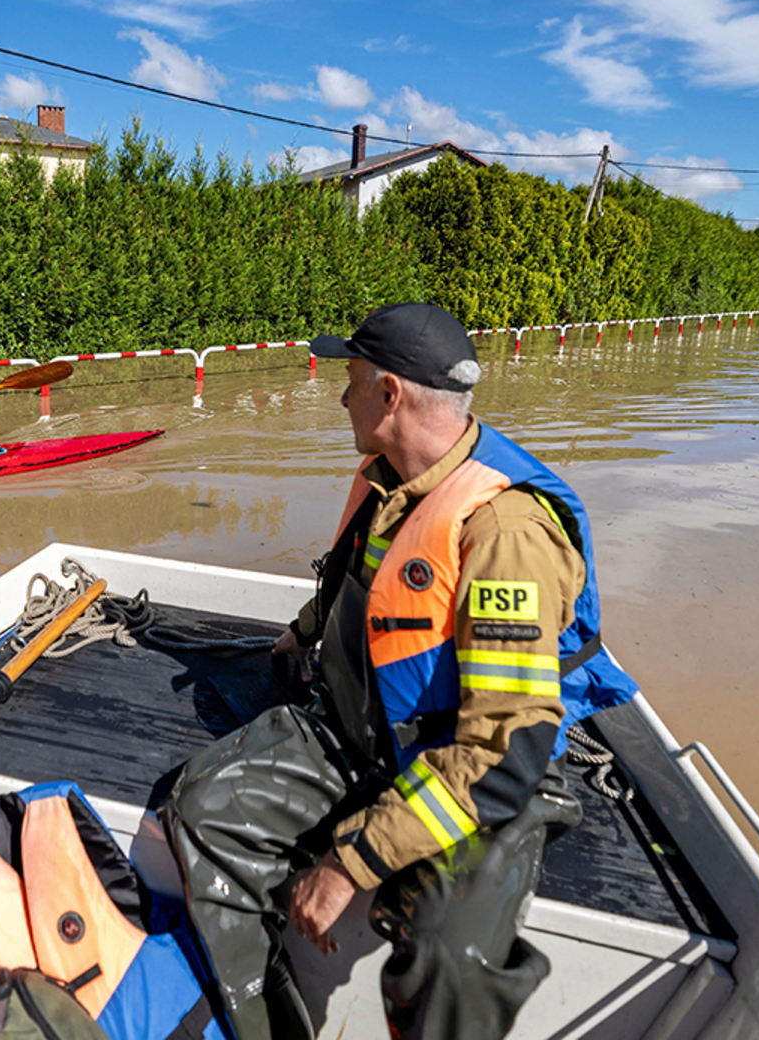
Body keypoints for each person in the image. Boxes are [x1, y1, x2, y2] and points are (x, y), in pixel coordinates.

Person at [158, 302, 639, 1040]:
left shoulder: (506, 531)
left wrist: (351, 864)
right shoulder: (391, 476)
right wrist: (299, 637)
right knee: (200, 809)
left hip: (464, 767)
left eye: (349, 379)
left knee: (454, 955)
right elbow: (364, 584)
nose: (339, 396)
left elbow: (501, 753)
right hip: (362, 733)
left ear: (390, 393)